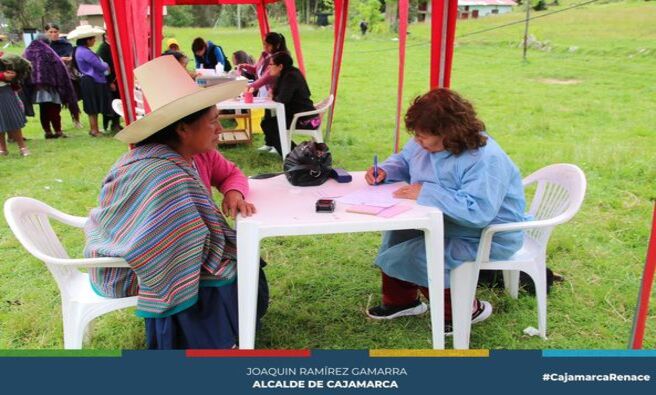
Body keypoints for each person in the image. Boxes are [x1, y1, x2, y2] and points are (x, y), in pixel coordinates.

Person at [84, 56, 268, 349]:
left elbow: (231, 173)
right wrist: (207, 241)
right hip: (132, 259)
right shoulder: (158, 170)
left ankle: (232, 329)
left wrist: (234, 192)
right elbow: (160, 240)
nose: (219, 129)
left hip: (177, 244)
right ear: (183, 129)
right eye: (213, 122)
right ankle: (209, 340)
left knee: (233, 258)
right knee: (220, 266)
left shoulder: (200, 152)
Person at [364, 88, 529, 332]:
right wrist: (387, 170)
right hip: (448, 222)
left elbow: (478, 212)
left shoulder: (485, 158)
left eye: (423, 136)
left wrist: (427, 192)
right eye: (416, 135)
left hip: (487, 234)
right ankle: (402, 302)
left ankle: (466, 311)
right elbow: (405, 159)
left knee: (414, 256)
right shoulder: (426, 141)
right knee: (397, 232)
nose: (418, 141)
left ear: (449, 132)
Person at [237, 32, 290, 152]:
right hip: (265, 91)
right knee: (267, 119)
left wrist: (250, 87)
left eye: (267, 45)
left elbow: (267, 77)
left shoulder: (278, 58)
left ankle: (277, 145)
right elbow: (256, 69)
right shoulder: (264, 55)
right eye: (264, 44)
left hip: (274, 92)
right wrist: (244, 66)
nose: (265, 47)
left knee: (273, 119)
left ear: (276, 45)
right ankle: (270, 142)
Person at [260, 52, 320, 156]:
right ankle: (295, 153)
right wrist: (273, 94)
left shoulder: (290, 76)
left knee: (269, 124)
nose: (268, 67)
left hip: (305, 119)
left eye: (271, 64)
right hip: (302, 115)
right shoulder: (289, 73)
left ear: (280, 66)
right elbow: (279, 94)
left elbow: (283, 99)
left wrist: (273, 96)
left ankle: (295, 155)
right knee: (268, 122)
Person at [23, 36, 79, 139]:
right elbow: (58, 67)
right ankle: (58, 131)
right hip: (51, 86)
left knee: (43, 109)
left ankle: (47, 131)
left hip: (37, 87)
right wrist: (61, 84)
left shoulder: (27, 51)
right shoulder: (48, 51)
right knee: (54, 108)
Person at [69, 25, 111, 137]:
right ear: (87, 40)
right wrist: (106, 65)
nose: (94, 41)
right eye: (93, 39)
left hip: (88, 80)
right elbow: (100, 66)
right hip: (92, 81)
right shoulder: (85, 52)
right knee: (93, 106)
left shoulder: (79, 50)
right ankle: (94, 130)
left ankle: (94, 129)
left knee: (92, 105)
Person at [45, 22, 83, 129]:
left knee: (72, 99)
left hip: (68, 75)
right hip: (52, 77)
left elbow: (71, 56)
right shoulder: (45, 46)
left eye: (55, 32)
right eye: (50, 32)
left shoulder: (66, 44)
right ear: (46, 33)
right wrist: (59, 59)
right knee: (55, 103)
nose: (53, 34)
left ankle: (76, 120)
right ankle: (57, 126)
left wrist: (69, 58)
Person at [0, 52, 30, 156]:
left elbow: (16, 67)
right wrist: (2, 76)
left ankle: (22, 147)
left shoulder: (3, 56)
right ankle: (2, 149)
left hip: (5, 91)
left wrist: (14, 74)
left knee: (13, 119)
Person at [96, 34, 122, 133]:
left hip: (116, 79)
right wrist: (110, 81)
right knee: (112, 102)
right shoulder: (104, 48)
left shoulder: (113, 46)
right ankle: (112, 125)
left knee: (117, 101)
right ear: (105, 36)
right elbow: (104, 67)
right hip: (110, 80)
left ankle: (116, 123)